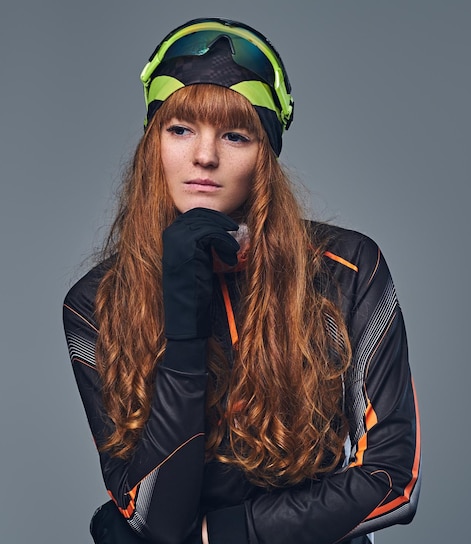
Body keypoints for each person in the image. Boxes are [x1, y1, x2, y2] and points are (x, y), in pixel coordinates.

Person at [62, 18, 420, 544]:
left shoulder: (347, 267)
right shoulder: (95, 303)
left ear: (264, 155)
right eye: (180, 130)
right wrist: (184, 329)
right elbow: (157, 520)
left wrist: (222, 535)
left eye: (235, 135)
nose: (205, 156)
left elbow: (392, 480)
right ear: (153, 143)